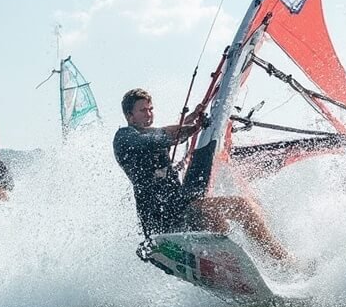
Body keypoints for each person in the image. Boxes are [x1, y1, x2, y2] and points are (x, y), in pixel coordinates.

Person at [112, 87, 292, 264]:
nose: (149, 114)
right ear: (129, 116)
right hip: (163, 215)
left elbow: (165, 132)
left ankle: (242, 264)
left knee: (219, 222)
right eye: (143, 110)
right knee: (241, 206)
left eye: (150, 109)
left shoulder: (151, 133)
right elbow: (159, 137)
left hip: (178, 207)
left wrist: (191, 120)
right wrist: (193, 128)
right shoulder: (124, 137)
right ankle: (285, 261)